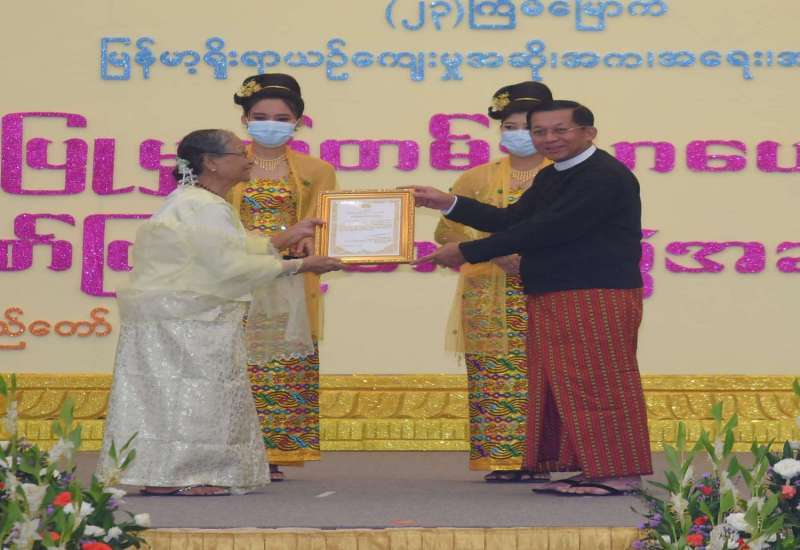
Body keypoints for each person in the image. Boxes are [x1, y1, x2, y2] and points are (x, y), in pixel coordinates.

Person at [409, 101, 653, 496]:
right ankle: (593, 468)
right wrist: (447, 202)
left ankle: (618, 472)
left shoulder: (603, 176)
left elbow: (547, 229)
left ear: (589, 132)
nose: (549, 139)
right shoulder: (554, 175)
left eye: (560, 130)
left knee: (600, 383)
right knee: (570, 382)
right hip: (557, 292)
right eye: (540, 131)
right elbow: (511, 220)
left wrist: (468, 251)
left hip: (595, 293)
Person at [97, 129, 342, 496]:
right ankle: (179, 477)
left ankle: (169, 477)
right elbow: (229, 267)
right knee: (192, 398)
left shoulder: (195, 201)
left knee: (175, 398)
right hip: (190, 322)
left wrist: (282, 240)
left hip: (182, 317)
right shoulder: (204, 206)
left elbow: (225, 252)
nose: (249, 159)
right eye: (239, 153)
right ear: (211, 162)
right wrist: (300, 265)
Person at [434, 82, 553, 482]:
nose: (518, 134)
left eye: (528, 126)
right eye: (509, 126)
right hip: (487, 293)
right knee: (494, 375)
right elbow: (447, 231)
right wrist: (494, 252)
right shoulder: (475, 178)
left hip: (545, 289)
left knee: (544, 373)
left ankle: (542, 459)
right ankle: (501, 458)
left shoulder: (562, 177)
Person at [228, 73, 336, 481]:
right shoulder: (225, 164)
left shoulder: (316, 169)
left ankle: (272, 453)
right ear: (245, 120)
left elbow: (324, 220)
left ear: (298, 123)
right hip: (235, 279)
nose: (269, 124)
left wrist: (310, 242)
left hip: (289, 279)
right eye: (260, 117)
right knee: (234, 364)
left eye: (281, 118)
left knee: (281, 366)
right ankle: (232, 451)